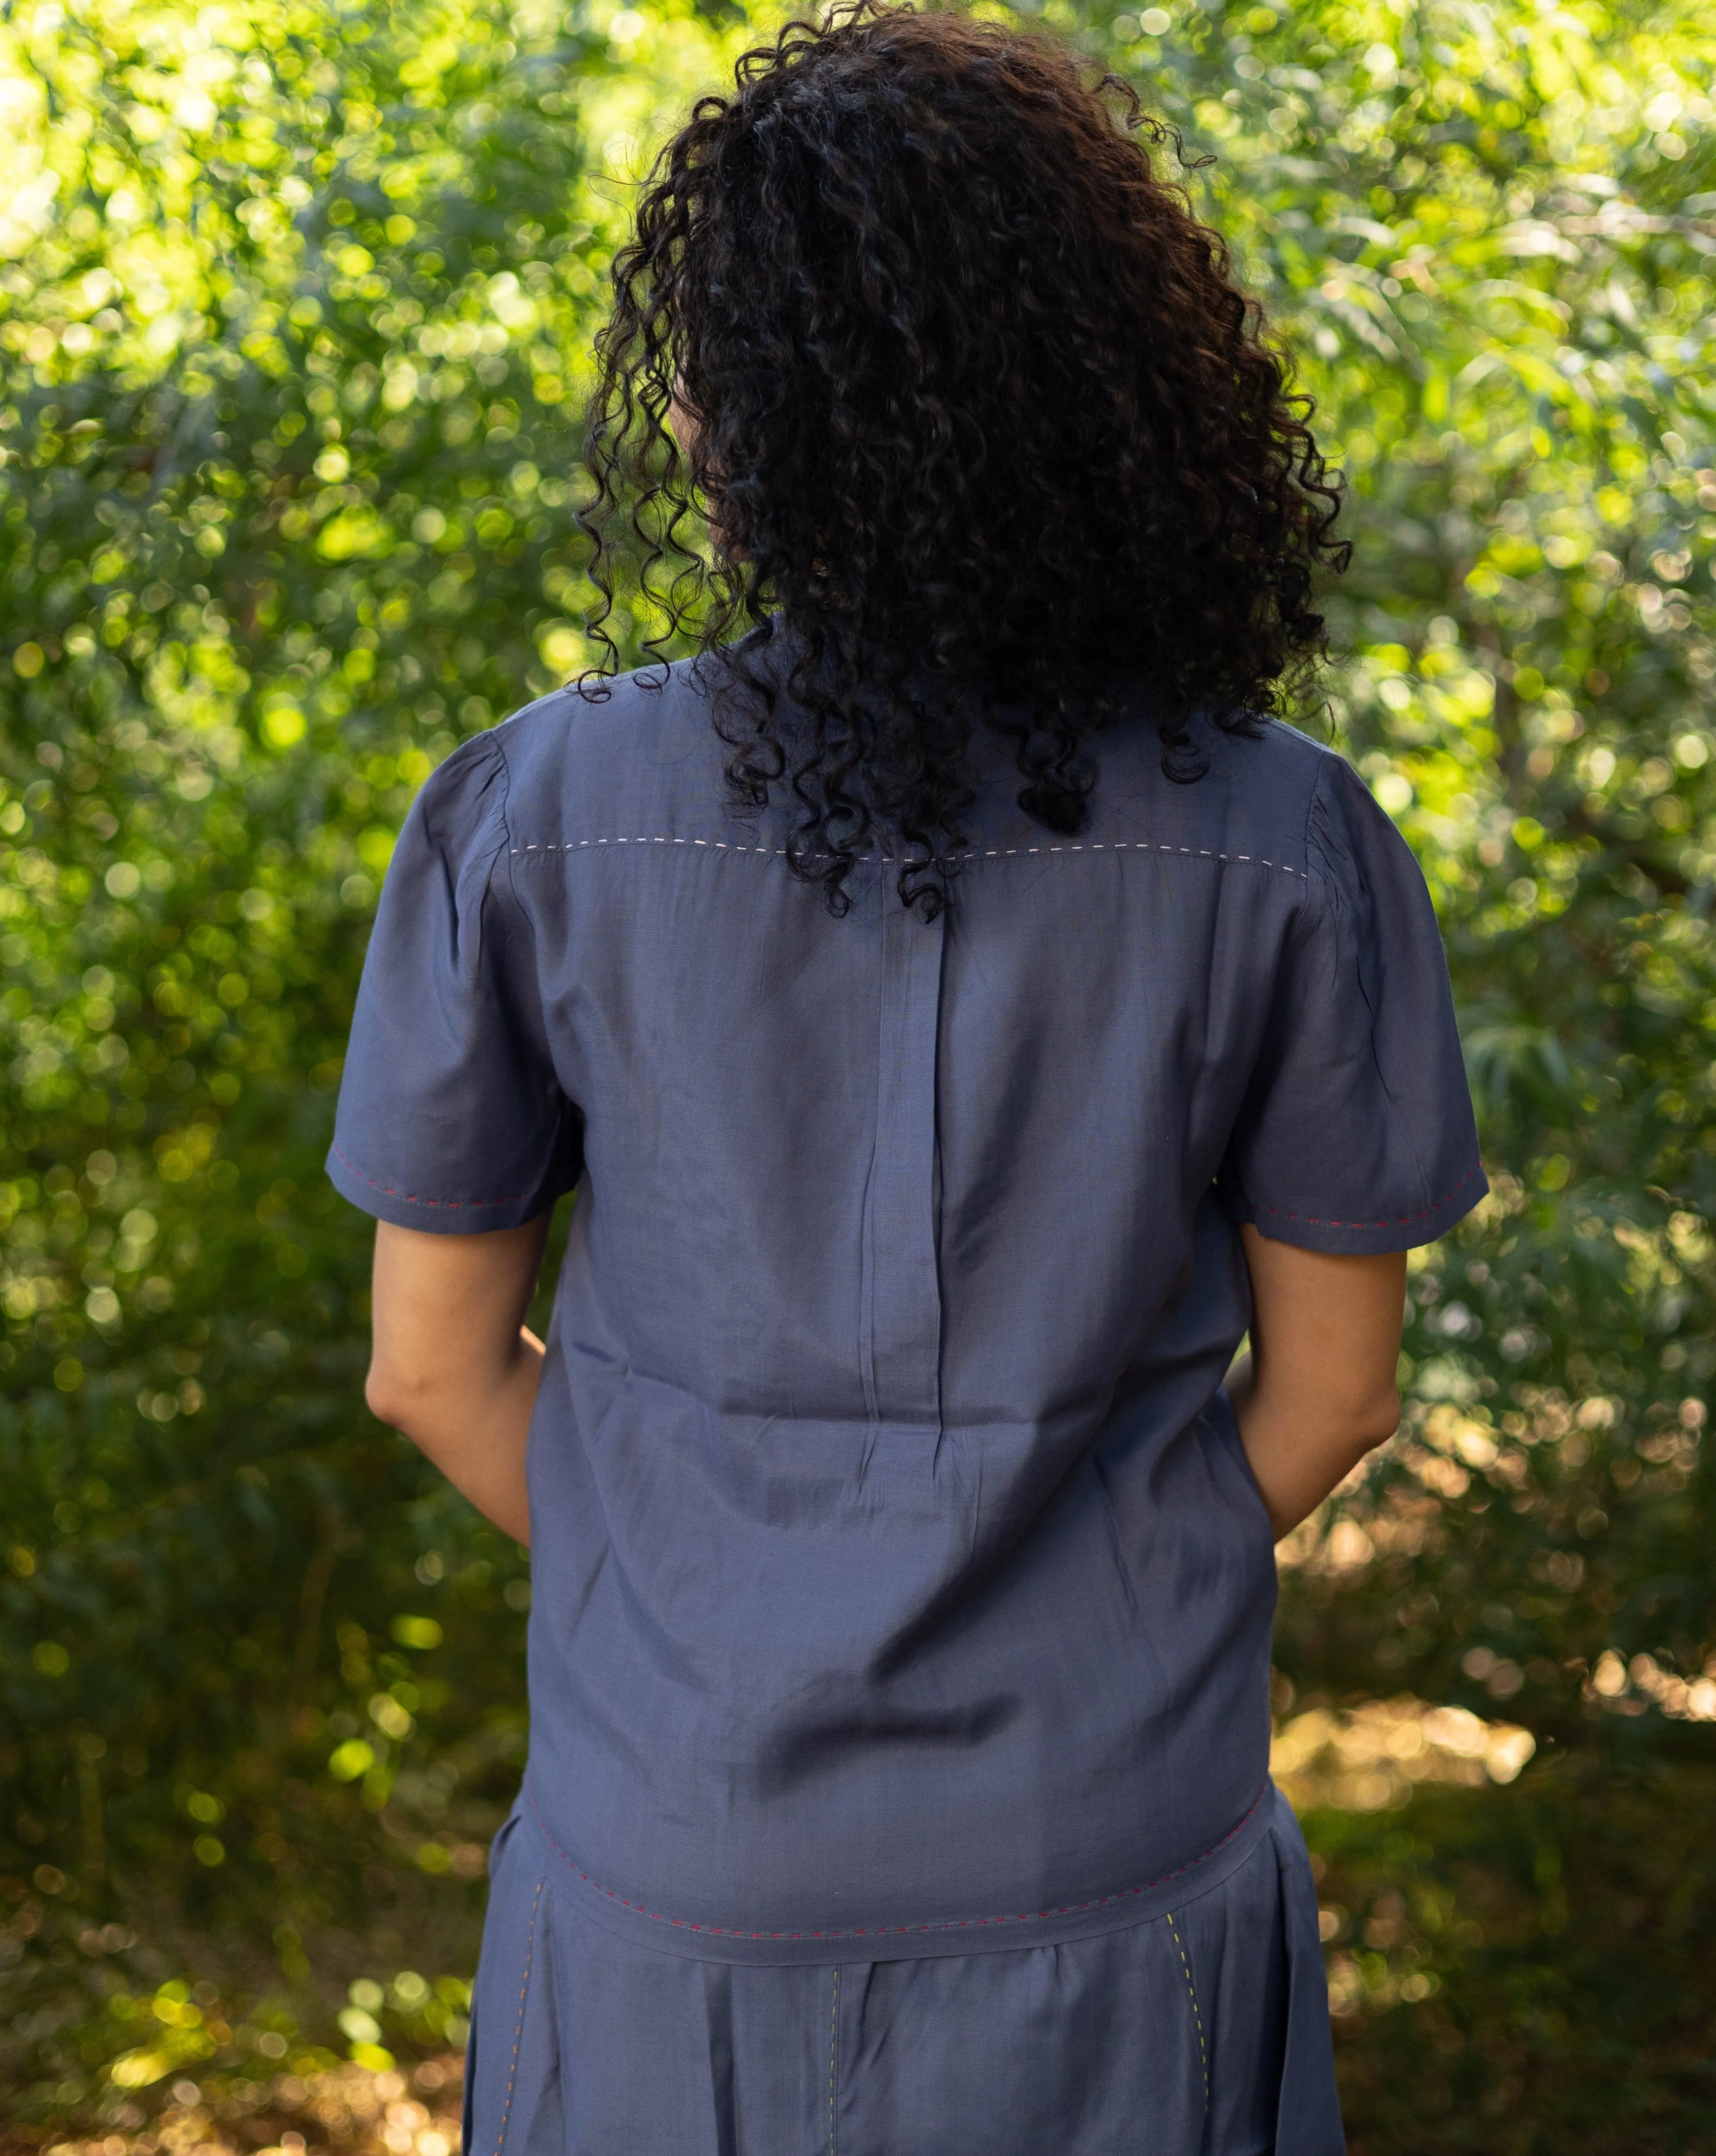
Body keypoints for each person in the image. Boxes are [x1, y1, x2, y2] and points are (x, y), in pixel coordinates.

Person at [327, 7, 1485, 2150]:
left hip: (673, 1875)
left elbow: (430, 1368)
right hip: (1118, 1853)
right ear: (1106, 389)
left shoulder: (535, 815)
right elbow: (1336, 1395)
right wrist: (1096, 1589)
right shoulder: (1287, 835)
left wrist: (683, 1590)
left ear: (730, 418)